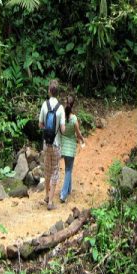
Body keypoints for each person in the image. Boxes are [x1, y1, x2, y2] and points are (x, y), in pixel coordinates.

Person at [39, 80, 65, 210]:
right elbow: (63, 129)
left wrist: (46, 130)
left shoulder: (45, 105)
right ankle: (50, 202)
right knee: (55, 171)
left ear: (49, 91)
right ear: (58, 92)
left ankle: (45, 196)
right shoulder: (60, 108)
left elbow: (40, 124)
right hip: (56, 144)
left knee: (47, 169)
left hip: (46, 143)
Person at [60, 96, 85, 202]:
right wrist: (82, 140)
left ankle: (69, 190)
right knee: (69, 170)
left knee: (68, 169)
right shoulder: (74, 118)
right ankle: (63, 194)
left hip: (63, 146)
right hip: (71, 148)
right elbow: (78, 133)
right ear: (73, 105)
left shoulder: (62, 116)